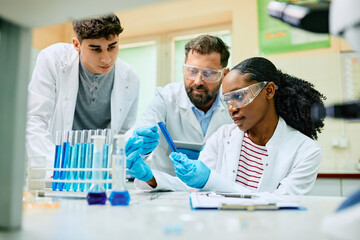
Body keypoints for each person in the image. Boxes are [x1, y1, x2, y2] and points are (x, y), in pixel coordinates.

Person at [127, 57, 326, 195]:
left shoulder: (306, 151)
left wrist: (210, 180)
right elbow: (193, 187)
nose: (231, 109)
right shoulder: (223, 136)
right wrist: (150, 177)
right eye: (227, 100)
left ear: (269, 91)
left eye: (238, 96)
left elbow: (280, 203)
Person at [26, 14, 140, 171]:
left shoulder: (130, 77)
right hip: (56, 166)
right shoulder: (53, 60)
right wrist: (55, 168)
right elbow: (34, 120)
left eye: (112, 47)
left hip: (100, 171)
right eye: (95, 49)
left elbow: (123, 132)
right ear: (76, 44)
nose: (106, 59)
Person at [125, 35, 233, 177]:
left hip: (216, 192)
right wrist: (139, 144)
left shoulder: (234, 104)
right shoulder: (165, 97)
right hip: (168, 191)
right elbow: (142, 128)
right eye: (192, 71)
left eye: (209, 73)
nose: (198, 81)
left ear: (224, 75)